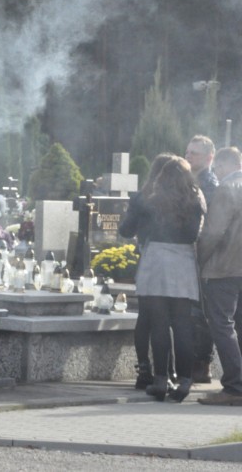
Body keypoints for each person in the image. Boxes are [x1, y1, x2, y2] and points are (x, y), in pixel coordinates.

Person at [129, 157, 205, 402]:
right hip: (183, 259)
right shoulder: (195, 198)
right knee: (183, 324)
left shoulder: (149, 198)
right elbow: (196, 233)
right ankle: (184, 381)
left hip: (156, 259)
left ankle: (161, 379)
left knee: (159, 323)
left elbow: (126, 229)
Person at [119, 153, 179, 390]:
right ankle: (170, 371)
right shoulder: (182, 197)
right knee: (170, 318)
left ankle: (144, 369)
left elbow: (125, 230)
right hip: (177, 261)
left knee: (146, 317)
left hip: (150, 257)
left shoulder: (142, 197)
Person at [197, 147, 242, 406]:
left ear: (222, 166)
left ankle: (234, 386)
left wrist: (200, 260)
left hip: (223, 268)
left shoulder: (227, 189)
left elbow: (213, 233)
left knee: (222, 326)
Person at [185, 134, 219, 383]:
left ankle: (202, 364)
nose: (188, 156)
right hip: (190, 253)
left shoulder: (209, 184)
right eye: (187, 152)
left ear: (209, 158)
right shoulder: (190, 180)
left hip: (203, 255)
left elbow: (209, 226)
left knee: (200, 313)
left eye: (194, 153)